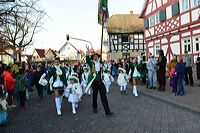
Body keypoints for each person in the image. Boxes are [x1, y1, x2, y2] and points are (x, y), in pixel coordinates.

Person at [85, 45, 113, 115]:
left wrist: (102, 68)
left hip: (100, 81)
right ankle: (94, 107)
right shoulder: (91, 64)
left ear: (98, 57)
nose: (95, 57)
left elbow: (104, 71)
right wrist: (88, 51)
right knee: (95, 95)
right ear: (93, 58)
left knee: (104, 96)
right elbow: (87, 60)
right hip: (94, 81)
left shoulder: (100, 64)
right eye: (94, 56)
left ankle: (107, 111)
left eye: (96, 56)